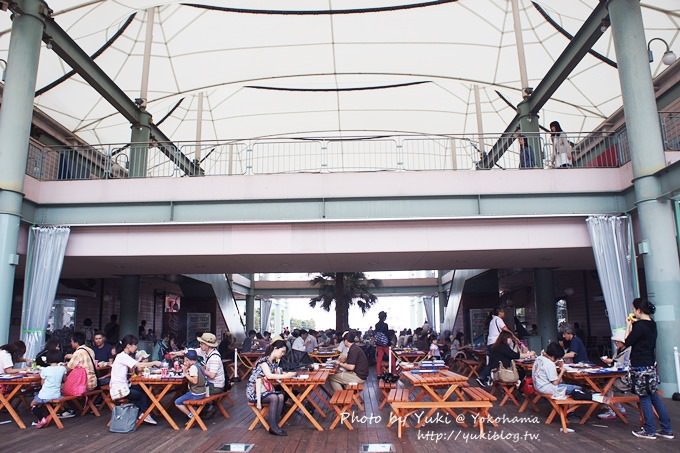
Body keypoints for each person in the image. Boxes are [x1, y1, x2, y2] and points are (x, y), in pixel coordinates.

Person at [625, 298, 673, 440]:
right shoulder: (652, 324)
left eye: (634, 309)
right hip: (651, 364)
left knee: (644, 397)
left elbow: (627, 342)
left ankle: (649, 430)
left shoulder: (639, 326)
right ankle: (666, 428)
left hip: (639, 364)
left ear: (639, 310)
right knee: (654, 396)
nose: (634, 312)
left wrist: (629, 325)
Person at [246, 339, 296, 436]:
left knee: (281, 396)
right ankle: (273, 427)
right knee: (274, 397)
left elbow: (276, 374)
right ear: (275, 349)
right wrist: (286, 376)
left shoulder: (273, 362)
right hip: (255, 391)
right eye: (282, 351)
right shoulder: (263, 361)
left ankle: (275, 424)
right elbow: (269, 376)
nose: (283, 354)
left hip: (265, 389)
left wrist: (289, 374)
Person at [109, 335, 161, 425]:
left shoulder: (123, 355)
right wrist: (154, 362)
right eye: (135, 345)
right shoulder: (122, 356)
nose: (136, 347)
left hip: (122, 386)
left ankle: (143, 413)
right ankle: (144, 414)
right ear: (128, 346)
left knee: (143, 388)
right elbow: (139, 365)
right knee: (142, 394)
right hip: (119, 390)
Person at [477, 308, 518, 387]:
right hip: (495, 344)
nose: (504, 314)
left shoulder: (492, 321)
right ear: (499, 312)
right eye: (503, 312)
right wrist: (513, 336)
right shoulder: (498, 320)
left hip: (490, 344)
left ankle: (487, 378)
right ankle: (484, 377)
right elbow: (505, 329)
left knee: (493, 362)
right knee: (499, 361)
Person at [597, 330, 631, 420]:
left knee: (608, 386)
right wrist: (610, 362)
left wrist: (612, 361)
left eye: (617, 341)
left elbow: (626, 365)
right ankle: (618, 407)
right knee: (606, 383)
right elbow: (615, 363)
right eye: (615, 341)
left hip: (626, 379)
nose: (616, 343)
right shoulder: (618, 350)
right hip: (618, 376)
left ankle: (611, 409)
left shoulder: (629, 351)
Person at [30, 350, 67, 428]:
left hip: (45, 394)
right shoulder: (63, 369)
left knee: (33, 404)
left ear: (48, 359)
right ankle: (47, 415)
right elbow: (64, 379)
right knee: (44, 401)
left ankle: (41, 419)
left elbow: (42, 383)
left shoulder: (45, 370)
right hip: (57, 394)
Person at [174, 349, 208, 421]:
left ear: (188, 359)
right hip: (202, 391)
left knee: (177, 402)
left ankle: (191, 416)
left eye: (185, 360)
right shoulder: (198, 365)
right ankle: (193, 414)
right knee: (185, 393)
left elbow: (195, 381)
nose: (185, 362)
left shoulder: (193, 368)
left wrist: (185, 373)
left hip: (196, 393)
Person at [374, 311, 390, 375]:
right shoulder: (385, 325)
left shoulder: (376, 325)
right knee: (391, 358)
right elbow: (386, 334)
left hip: (379, 344)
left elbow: (377, 334)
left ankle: (378, 373)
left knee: (379, 359)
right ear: (384, 317)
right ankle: (393, 372)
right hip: (385, 344)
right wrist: (389, 342)